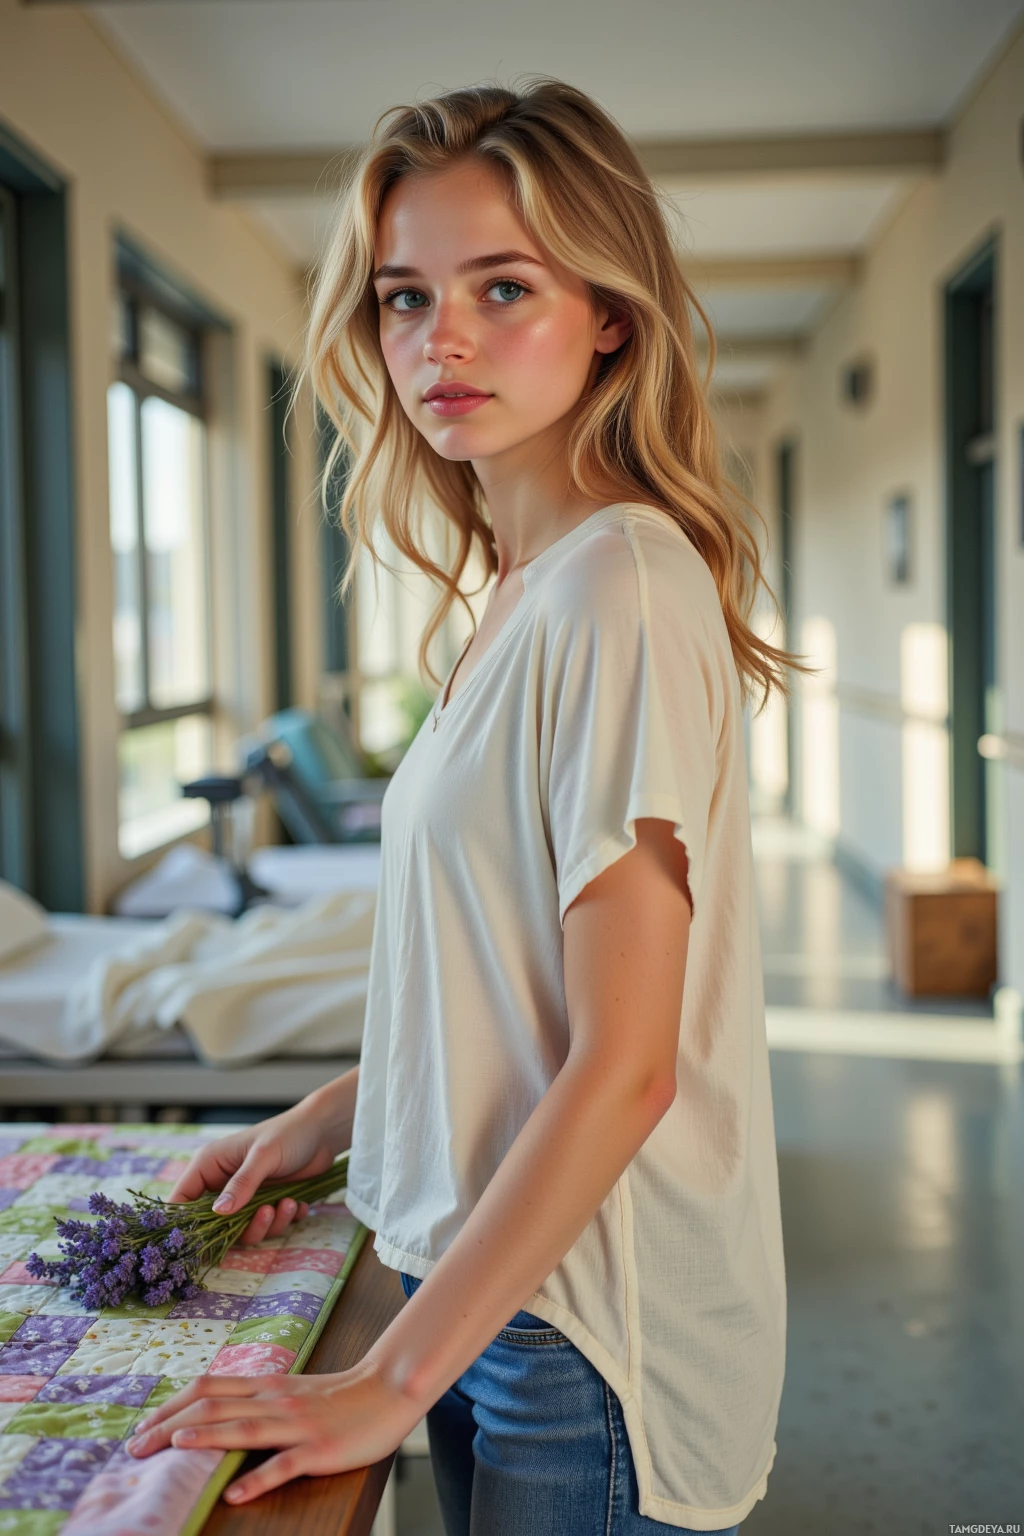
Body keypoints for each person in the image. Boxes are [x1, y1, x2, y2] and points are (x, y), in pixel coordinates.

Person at [126, 78, 798, 1535]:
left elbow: (626, 1065)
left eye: (506, 286)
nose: (446, 340)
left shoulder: (617, 587)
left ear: (610, 312)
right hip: (488, 1279)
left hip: (580, 1331)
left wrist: (385, 1379)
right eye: (405, 297)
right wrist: (335, 1113)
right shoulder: (517, 595)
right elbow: (523, 1000)